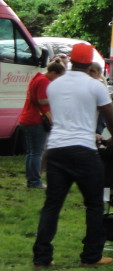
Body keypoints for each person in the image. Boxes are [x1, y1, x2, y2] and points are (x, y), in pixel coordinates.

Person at [32, 42, 113, 270]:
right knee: (93, 204)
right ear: (90, 61)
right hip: (83, 149)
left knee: (52, 204)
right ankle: (91, 255)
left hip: (57, 149)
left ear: (71, 60)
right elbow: (111, 118)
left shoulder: (55, 85)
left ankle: (42, 257)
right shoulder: (95, 86)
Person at [19, 58, 65, 189]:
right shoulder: (44, 81)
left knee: (31, 152)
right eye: (59, 77)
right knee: (36, 153)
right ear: (53, 73)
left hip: (27, 118)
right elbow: (41, 100)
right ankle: (34, 181)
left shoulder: (37, 77)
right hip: (35, 120)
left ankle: (30, 179)